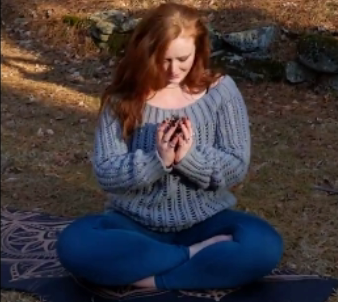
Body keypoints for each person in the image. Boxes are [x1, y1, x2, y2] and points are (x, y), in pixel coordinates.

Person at [56, 2, 283, 290]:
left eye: (183, 59)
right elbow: (106, 172)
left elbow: (236, 165)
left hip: (206, 220)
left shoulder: (221, 91)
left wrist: (188, 158)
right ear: (146, 53)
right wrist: (157, 160)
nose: (174, 70)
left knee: (264, 245)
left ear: (198, 50)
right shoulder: (122, 99)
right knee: (75, 243)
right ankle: (194, 258)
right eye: (164, 60)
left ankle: (152, 277)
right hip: (135, 224)